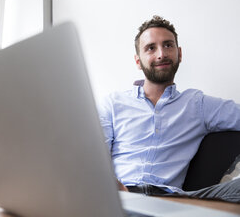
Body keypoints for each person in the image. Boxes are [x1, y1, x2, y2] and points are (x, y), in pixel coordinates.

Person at [98, 15, 240, 203]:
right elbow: (95, 157)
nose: (161, 54)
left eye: (168, 45)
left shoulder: (197, 104)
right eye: (151, 48)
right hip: (120, 197)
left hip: (170, 200)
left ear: (179, 53)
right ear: (138, 61)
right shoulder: (113, 103)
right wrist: (111, 186)